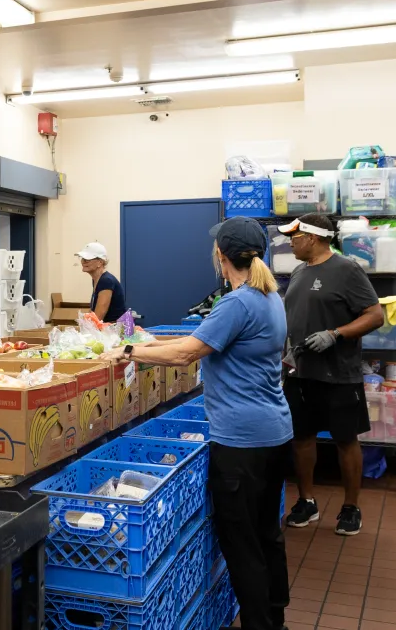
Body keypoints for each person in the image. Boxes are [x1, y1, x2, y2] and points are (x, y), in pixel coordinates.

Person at [105, 216, 292, 630]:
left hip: (241, 443)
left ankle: (259, 624)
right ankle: (275, 618)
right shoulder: (269, 297)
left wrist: (128, 351)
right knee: (267, 535)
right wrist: (150, 342)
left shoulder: (237, 303)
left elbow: (185, 355)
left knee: (242, 545)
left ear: (221, 256)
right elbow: (200, 342)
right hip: (275, 434)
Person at [279, 213, 383, 536]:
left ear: (312, 238)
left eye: (295, 237)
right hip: (301, 372)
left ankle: (351, 507)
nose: (290, 243)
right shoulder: (298, 272)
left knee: (345, 439)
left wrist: (335, 334)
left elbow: (375, 315)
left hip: (339, 373)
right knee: (302, 437)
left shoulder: (347, 269)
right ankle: (307, 501)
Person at [76, 242, 126, 322]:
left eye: (87, 259)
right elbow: (93, 312)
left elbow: (98, 318)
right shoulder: (97, 280)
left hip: (115, 329)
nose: (83, 261)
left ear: (100, 262)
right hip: (108, 328)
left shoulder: (106, 281)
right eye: (82, 258)